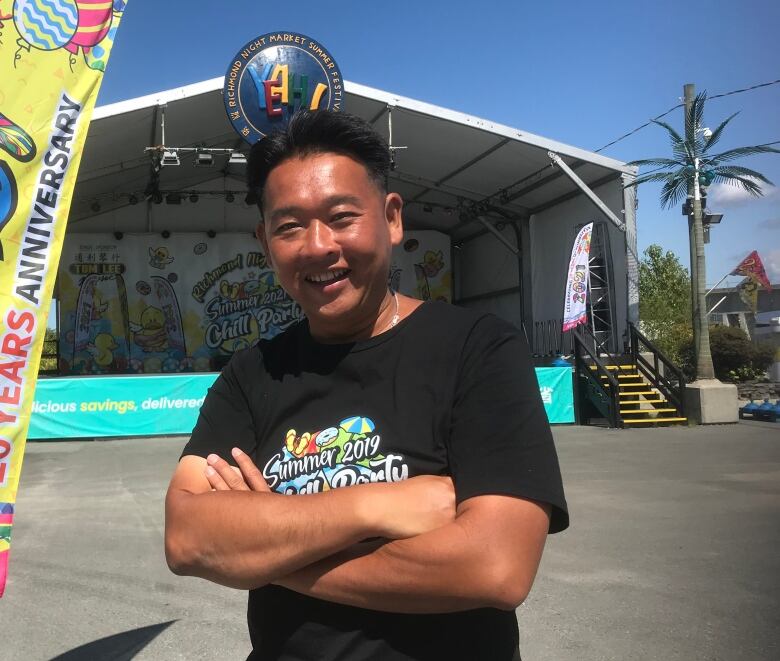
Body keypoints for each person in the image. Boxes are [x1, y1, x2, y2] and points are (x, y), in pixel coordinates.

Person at [164, 110, 568, 661]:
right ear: (266, 242)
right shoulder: (253, 373)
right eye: (288, 227)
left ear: (392, 218)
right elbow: (188, 536)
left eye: (341, 216)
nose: (317, 246)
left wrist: (269, 548)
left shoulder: (478, 349)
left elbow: (494, 568)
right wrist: (372, 507)